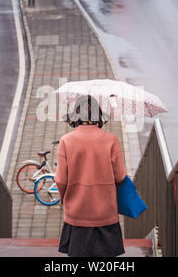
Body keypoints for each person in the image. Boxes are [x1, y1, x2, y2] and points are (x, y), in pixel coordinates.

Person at [55, 95, 127, 257]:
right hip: (105, 214)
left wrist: (64, 199)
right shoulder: (111, 140)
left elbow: (60, 180)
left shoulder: (66, 141)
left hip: (77, 213)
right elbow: (120, 176)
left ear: (76, 115)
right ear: (99, 115)